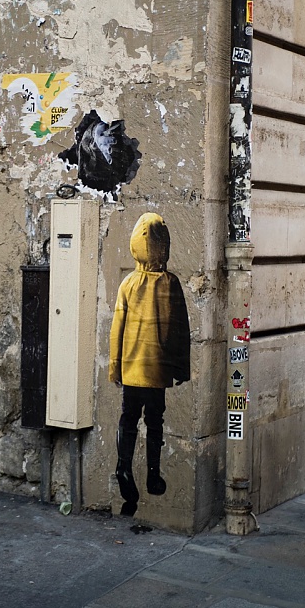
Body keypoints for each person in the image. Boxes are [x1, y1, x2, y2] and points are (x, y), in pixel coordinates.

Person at [109, 213, 190, 512]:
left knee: (128, 418)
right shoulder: (172, 283)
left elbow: (117, 329)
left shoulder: (128, 284)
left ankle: (123, 466)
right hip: (158, 369)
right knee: (155, 421)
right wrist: (181, 367)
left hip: (132, 368)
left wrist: (115, 367)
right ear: (163, 245)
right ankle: (153, 475)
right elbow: (181, 329)